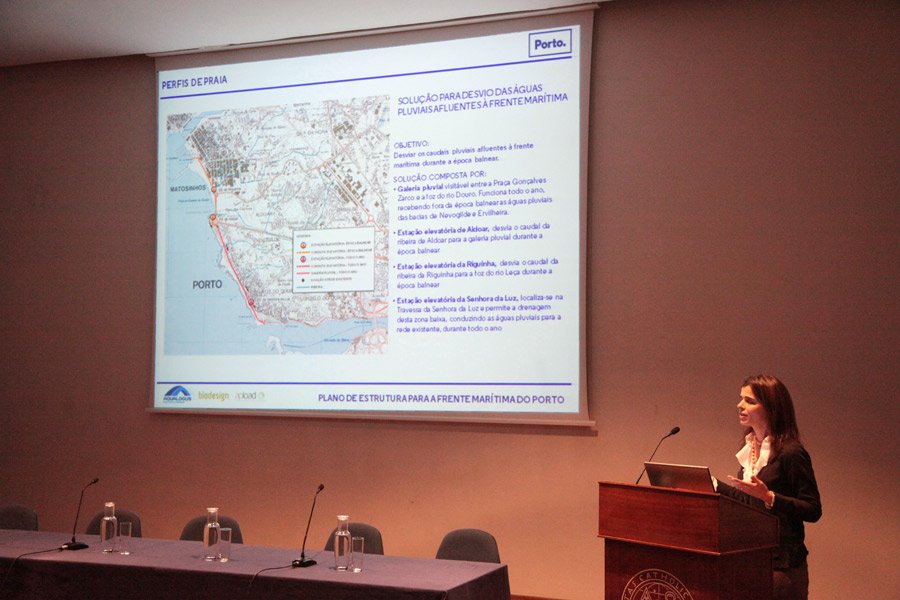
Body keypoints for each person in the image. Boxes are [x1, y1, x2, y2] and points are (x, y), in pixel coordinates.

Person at [715, 374, 822, 600]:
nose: (740, 405)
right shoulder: (750, 447)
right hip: (751, 559)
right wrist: (713, 485)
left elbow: (813, 509)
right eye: (741, 398)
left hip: (782, 567)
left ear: (771, 408)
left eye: (749, 401)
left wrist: (771, 498)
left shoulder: (791, 453)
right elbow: (748, 498)